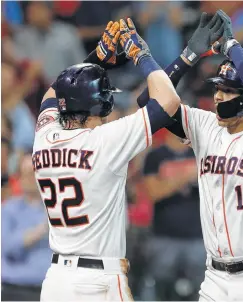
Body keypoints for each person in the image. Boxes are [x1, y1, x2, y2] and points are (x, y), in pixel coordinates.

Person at [137, 9, 243, 301]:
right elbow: (149, 101)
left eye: (227, 92)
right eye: (217, 90)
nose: (217, 97)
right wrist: (189, 55)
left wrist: (230, 46)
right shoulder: (206, 126)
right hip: (216, 278)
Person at [33, 18, 181, 301]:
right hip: (97, 282)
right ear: (101, 104)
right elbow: (169, 101)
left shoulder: (44, 135)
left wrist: (96, 59)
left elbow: (53, 94)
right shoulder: (106, 141)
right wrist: (140, 54)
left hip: (55, 282)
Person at [142, 132, 206, 300]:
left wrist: (170, 182)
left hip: (198, 236)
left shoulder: (200, 153)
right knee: (159, 290)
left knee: (202, 292)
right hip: (164, 236)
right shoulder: (156, 155)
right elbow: (153, 192)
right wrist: (186, 175)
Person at [1, 154, 52, 301]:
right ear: (20, 178)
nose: (32, 178)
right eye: (27, 173)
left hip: (50, 290)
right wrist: (40, 230)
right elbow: (7, 247)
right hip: (16, 289)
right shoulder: (9, 209)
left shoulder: (55, 209)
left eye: (36, 172)